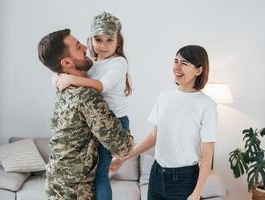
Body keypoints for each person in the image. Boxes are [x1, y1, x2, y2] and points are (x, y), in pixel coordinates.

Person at [110, 45, 217, 200]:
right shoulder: (165, 97)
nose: (177, 67)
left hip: (184, 180)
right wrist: (124, 158)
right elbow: (154, 137)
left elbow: (207, 153)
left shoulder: (207, 105)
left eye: (184, 63)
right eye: (176, 61)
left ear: (198, 70)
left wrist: (197, 193)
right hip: (157, 175)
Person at [37, 28, 133, 200]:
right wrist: (131, 139)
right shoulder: (86, 96)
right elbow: (122, 148)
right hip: (75, 191)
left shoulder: (63, 86)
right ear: (66, 63)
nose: (86, 47)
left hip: (55, 184)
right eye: (77, 46)